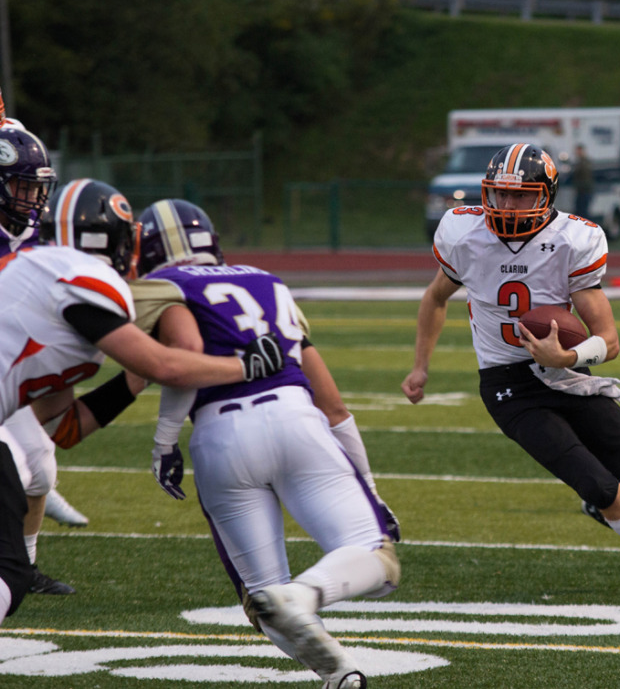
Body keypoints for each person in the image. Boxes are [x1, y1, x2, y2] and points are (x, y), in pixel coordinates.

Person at [401, 142, 620, 608]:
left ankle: (605, 504)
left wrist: (567, 360)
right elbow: (434, 298)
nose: (507, 206)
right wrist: (420, 367)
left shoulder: (574, 239)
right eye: (500, 194)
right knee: (599, 484)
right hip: (509, 385)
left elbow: (609, 340)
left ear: (547, 195)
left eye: (521, 195)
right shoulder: (463, 232)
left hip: (569, 374)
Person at [131, 199, 398, 689]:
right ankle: (311, 593)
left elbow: (182, 357)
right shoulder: (267, 280)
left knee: (263, 596)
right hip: (297, 418)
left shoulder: (163, 286)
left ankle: (339, 672)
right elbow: (334, 406)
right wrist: (372, 490)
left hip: (219, 438)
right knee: (377, 558)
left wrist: (164, 442)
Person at [0, 179, 285, 626]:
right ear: (113, 239)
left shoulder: (45, 278)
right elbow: (169, 366)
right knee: (8, 573)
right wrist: (244, 366)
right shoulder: (79, 277)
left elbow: (61, 425)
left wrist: (134, 379)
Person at [0, 128, 89, 597]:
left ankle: (25, 567)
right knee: (14, 467)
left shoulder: (31, 231)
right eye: (22, 186)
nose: (32, 198)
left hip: (6, 368)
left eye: (37, 187)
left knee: (39, 462)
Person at [571, 144, 594, 220]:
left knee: (583, 212)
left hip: (585, 191)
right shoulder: (581, 162)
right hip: (581, 190)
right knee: (579, 212)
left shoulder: (584, 162)